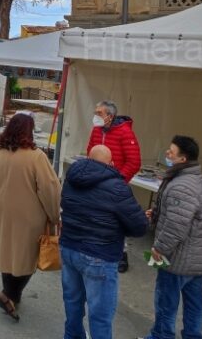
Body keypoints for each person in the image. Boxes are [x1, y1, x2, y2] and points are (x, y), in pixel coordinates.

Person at [60, 145, 148, 339]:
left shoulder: (71, 178)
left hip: (69, 246)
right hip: (99, 255)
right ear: (111, 163)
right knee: (100, 314)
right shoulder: (117, 187)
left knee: (72, 302)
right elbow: (139, 227)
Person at [0, 113, 61, 321]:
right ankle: (9, 294)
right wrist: (53, 215)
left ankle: (11, 295)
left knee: (8, 249)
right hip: (29, 213)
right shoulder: (36, 157)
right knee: (27, 256)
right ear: (29, 131)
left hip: (2, 210)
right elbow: (50, 189)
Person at [140, 135, 202, 339]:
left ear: (183, 159)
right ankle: (192, 335)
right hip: (195, 258)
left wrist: (159, 249)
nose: (167, 153)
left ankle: (161, 335)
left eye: (171, 152)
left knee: (166, 303)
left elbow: (176, 226)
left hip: (178, 259)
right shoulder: (191, 179)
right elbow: (181, 215)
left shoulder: (182, 186)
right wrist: (157, 213)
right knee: (194, 304)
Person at [86, 99, 141, 272]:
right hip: (96, 183)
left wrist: (118, 180)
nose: (96, 116)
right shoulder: (96, 130)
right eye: (95, 113)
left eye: (99, 113)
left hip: (113, 185)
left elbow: (134, 162)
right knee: (94, 217)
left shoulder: (125, 133)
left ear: (109, 116)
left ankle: (121, 255)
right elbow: (90, 152)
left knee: (115, 220)